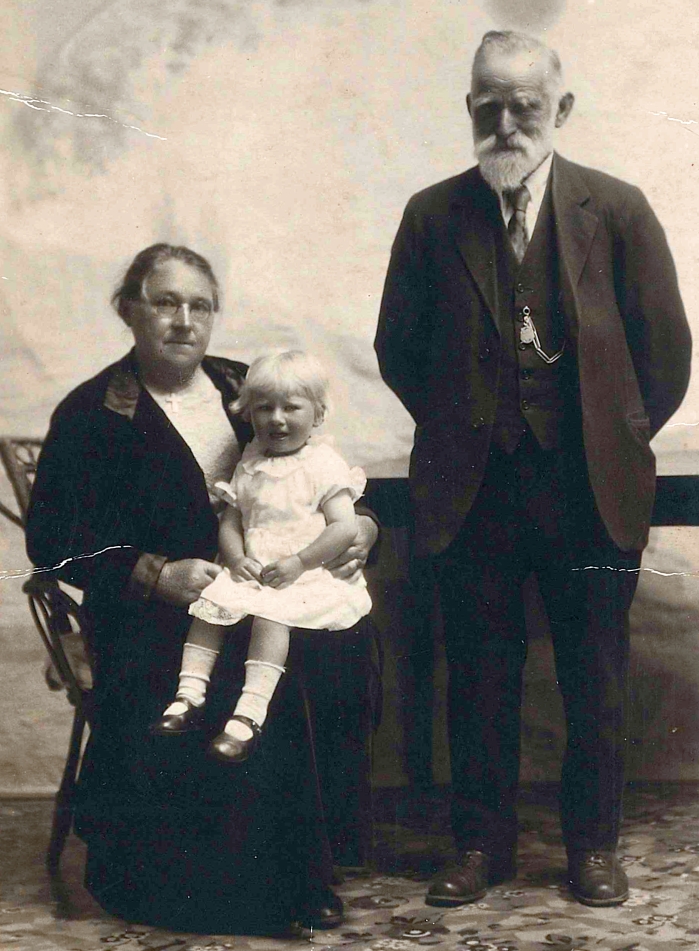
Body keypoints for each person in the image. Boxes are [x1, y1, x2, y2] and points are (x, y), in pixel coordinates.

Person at [375, 30, 691, 909]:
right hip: (473, 489)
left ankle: (593, 849)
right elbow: (397, 348)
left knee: (595, 675)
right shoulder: (431, 215)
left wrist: (607, 435)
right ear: (469, 107)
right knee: (477, 673)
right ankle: (479, 847)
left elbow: (663, 355)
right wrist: (465, 427)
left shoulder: (616, 209)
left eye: (525, 105)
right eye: (490, 104)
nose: (507, 122)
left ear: (562, 109)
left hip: (587, 490)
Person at [26, 244, 380, 934]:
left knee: (338, 638)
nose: (183, 320)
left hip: (258, 587)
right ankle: (234, 890)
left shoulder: (242, 385)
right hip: (147, 615)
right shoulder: (94, 413)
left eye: (199, 305)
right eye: (165, 302)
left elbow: (321, 470)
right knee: (220, 680)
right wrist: (156, 574)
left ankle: (304, 862)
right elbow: (53, 539)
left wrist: (363, 525)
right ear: (129, 310)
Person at [151, 350, 372, 764]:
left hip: (305, 575)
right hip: (255, 570)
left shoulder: (323, 464)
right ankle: (188, 694)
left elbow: (342, 527)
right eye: (264, 408)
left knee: (273, 619)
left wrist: (300, 562)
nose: (277, 418)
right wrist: (234, 558)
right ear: (249, 413)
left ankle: (248, 715)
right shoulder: (251, 460)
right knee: (209, 608)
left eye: (291, 407)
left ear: (318, 414)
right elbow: (232, 519)